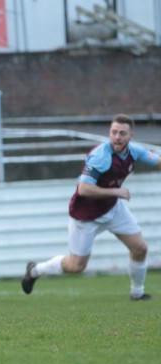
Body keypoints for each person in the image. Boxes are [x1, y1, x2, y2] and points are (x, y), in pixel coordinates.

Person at [22, 115, 159, 301]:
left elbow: (157, 161)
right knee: (76, 266)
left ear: (130, 135)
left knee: (140, 248)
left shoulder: (135, 151)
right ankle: (35, 270)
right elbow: (84, 189)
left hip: (112, 209)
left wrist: (114, 195)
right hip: (85, 216)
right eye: (113, 132)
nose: (117, 137)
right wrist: (116, 192)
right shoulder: (100, 156)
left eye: (122, 133)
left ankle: (137, 293)